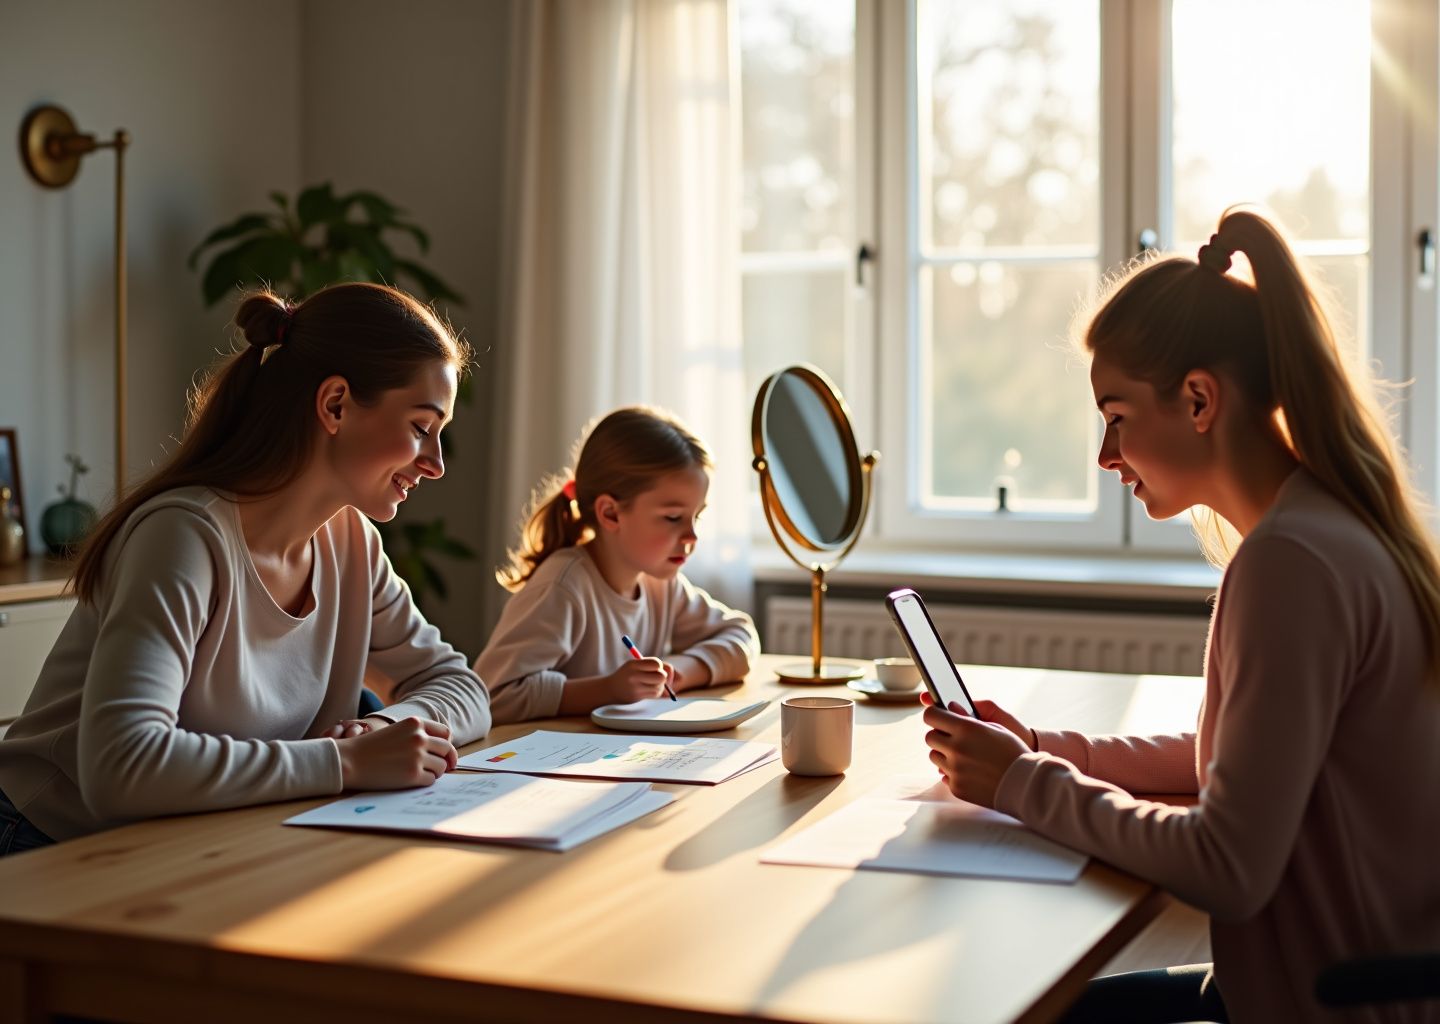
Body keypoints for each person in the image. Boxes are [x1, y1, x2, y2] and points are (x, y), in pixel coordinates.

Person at [921, 209, 1440, 1023]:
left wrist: (1021, 782)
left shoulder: (1290, 564)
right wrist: (1043, 749)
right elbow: (1232, 763)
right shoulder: (1327, 527)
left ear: (1199, 400)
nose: (1104, 456)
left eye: (1117, 417)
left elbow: (1227, 863)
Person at [0, 283, 492, 855]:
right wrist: (344, 761)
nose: (435, 465)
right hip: (48, 843)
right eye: (420, 428)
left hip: (200, 836)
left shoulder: (352, 543)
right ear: (335, 405)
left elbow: (462, 687)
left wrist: (383, 731)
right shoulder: (184, 536)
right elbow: (123, 766)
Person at [477, 406, 759, 723]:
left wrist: (676, 673)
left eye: (697, 516)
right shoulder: (563, 587)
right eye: (673, 518)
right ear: (610, 513)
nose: (692, 535)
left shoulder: (661, 585)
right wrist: (608, 690)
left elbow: (740, 635)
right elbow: (493, 695)